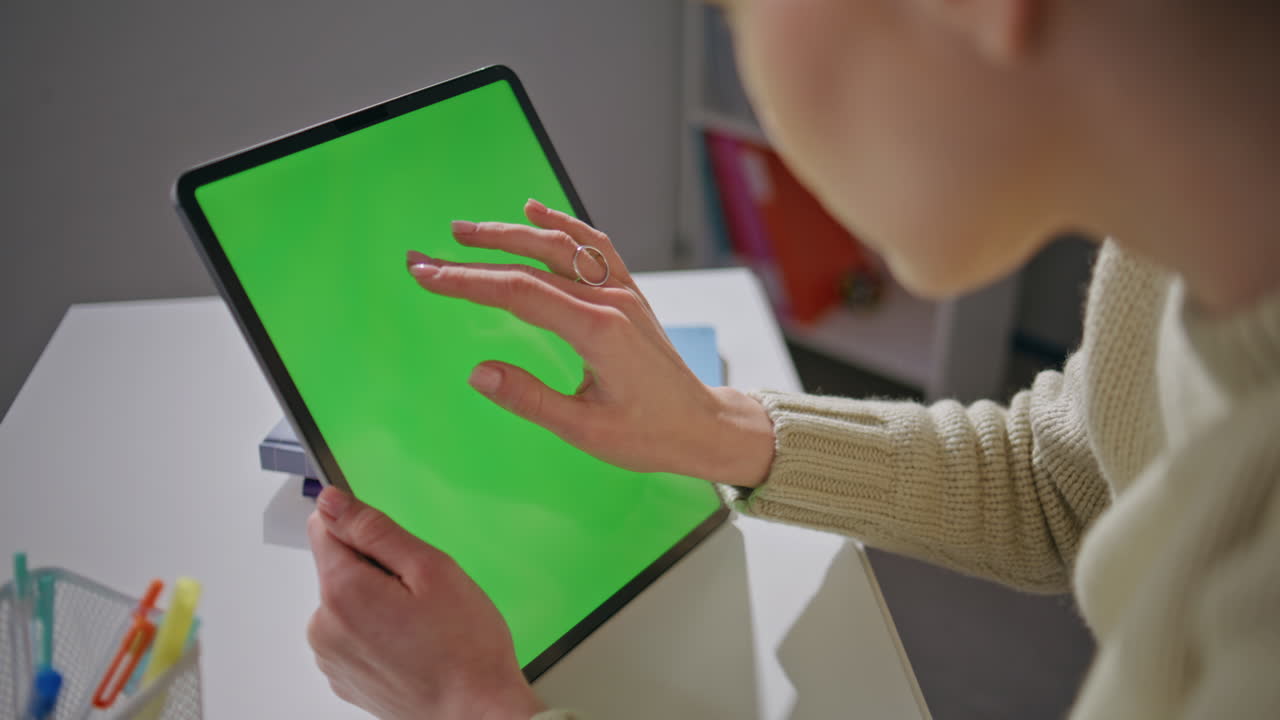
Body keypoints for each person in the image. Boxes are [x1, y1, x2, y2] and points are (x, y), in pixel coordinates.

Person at [304, 0, 1280, 717]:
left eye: (731, 13)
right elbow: (1063, 485)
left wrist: (466, 704)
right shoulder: (1190, 244)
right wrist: (714, 428)